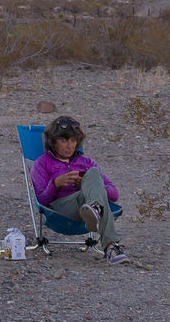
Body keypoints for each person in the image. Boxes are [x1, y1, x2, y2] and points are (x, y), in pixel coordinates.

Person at [31, 113, 127, 264]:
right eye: (63, 140)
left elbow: (114, 194)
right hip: (60, 209)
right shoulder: (42, 163)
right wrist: (55, 184)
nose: (69, 145)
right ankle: (110, 244)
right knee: (99, 198)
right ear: (53, 142)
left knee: (93, 174)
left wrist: (87, 184)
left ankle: (96, 212)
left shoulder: (87, 162)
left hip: (86, 205)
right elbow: (41, 201)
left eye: (73, 140)